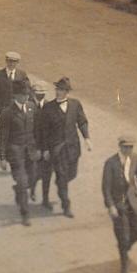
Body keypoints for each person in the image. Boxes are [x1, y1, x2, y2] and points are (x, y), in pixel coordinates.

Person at [37, 77, 91, 219]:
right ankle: (66, 205)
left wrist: (87, 138)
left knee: (71, 174)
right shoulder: (48, 108)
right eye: (57, 89)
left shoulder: (75, 104)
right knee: (62, 177)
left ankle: (61, 184)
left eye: (61, 90)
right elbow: (44, 131)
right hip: (57, 149)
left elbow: (82, 121)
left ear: (67, 92)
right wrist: (46, 149)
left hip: (73, 148)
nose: (58, 92)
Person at [101, 135, 137, 273]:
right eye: (125, 147)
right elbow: (106, 187)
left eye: (131, 147)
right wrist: (110, 206)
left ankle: (125, 247)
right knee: (123, 236)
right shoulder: (111, 163)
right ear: (120, 146)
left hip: (132, 201)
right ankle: (124, 268)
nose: (128, 149)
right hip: (118, 205)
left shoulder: (134, 159)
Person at [0, 80, 39, 226]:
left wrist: (39, 148)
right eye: (23, 95)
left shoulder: (32, 108)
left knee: (33, 178)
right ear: (15, 95)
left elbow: (38, 130)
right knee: (22, 182)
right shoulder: (7, 113)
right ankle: (25, 213)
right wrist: (2, 157)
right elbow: (2, 137)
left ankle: (18, 190)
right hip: (15, 153)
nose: (26, 97)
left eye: (27, 94)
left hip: (31, 151)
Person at [29, 81, 53, 209]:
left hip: (47, 146)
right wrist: (36, 148)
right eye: (38, 94)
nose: (40, 97)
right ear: (32, 93)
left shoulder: (49, 105)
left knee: (47, 174)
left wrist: (48, 148)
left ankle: (45, 199)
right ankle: (31, 187)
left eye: (42, 94)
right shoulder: (28, 106)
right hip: (33, 146)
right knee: (35, 173)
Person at [0, 51, 29, 122]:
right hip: (2, 113)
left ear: (18, 62)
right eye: (10, 61)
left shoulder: (22, 74)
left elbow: (27, 92)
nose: (12, 64)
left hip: (18, 112)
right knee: (3, 132)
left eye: (14, 62)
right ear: (6, 61)